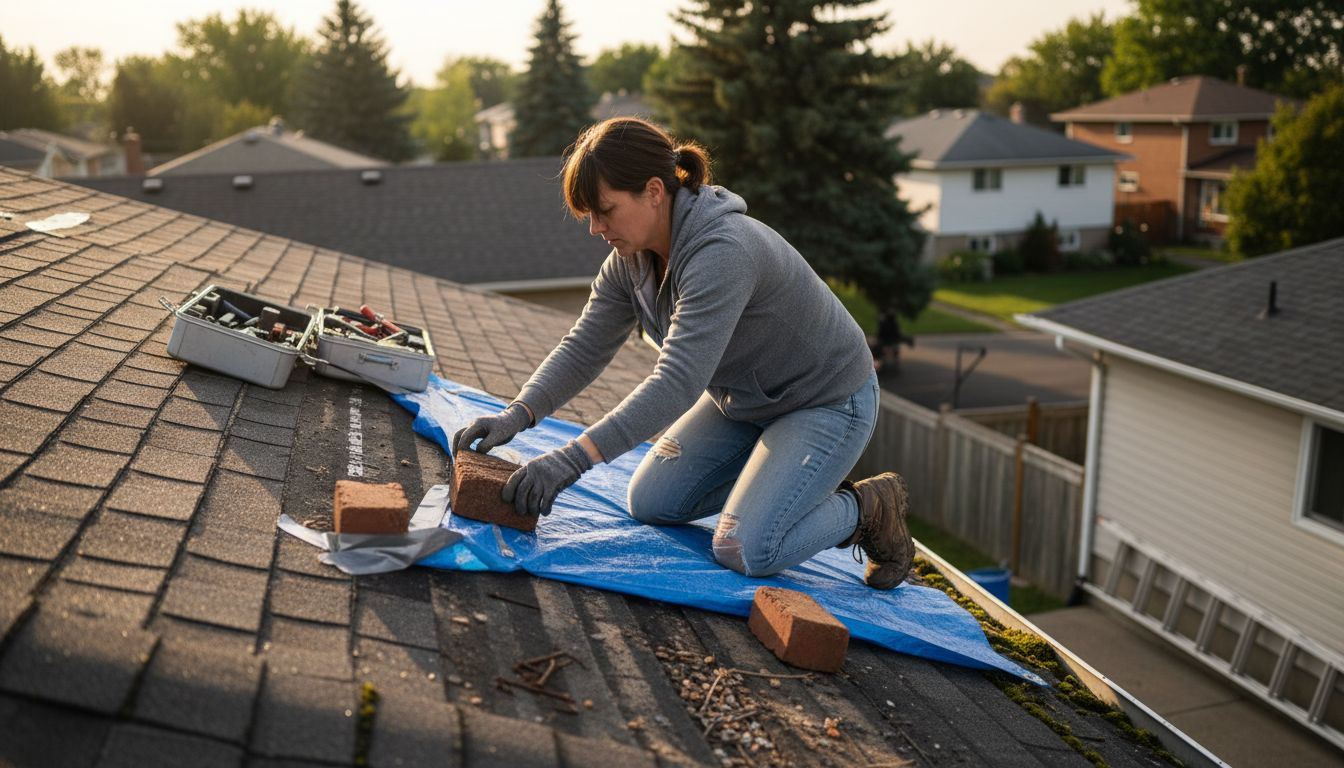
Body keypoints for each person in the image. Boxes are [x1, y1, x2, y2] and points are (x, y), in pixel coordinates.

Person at [453, 117, 913, 589]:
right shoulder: (630, 260)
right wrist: (518, 413)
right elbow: (584, 346)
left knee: (744, 548)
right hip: (743, 400)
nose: (595, 228)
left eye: (605, 210)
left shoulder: (722, 251)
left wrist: (571, 460)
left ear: (654, 191)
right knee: (651, 502)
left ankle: (868, 508)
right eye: (589, 215)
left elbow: (677, 381)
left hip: (826, 400)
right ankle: (779, 485)